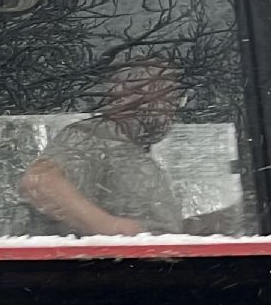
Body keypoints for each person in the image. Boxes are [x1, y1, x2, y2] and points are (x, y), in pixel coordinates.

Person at [20, 58, 191, 235]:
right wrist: (110, 227)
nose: (173, 106)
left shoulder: (130, 149)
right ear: (125, 92)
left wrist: (210, 225)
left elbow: (157, 230)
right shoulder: (92, 136)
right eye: (165, 93)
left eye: (177, 97)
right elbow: (41, 182)